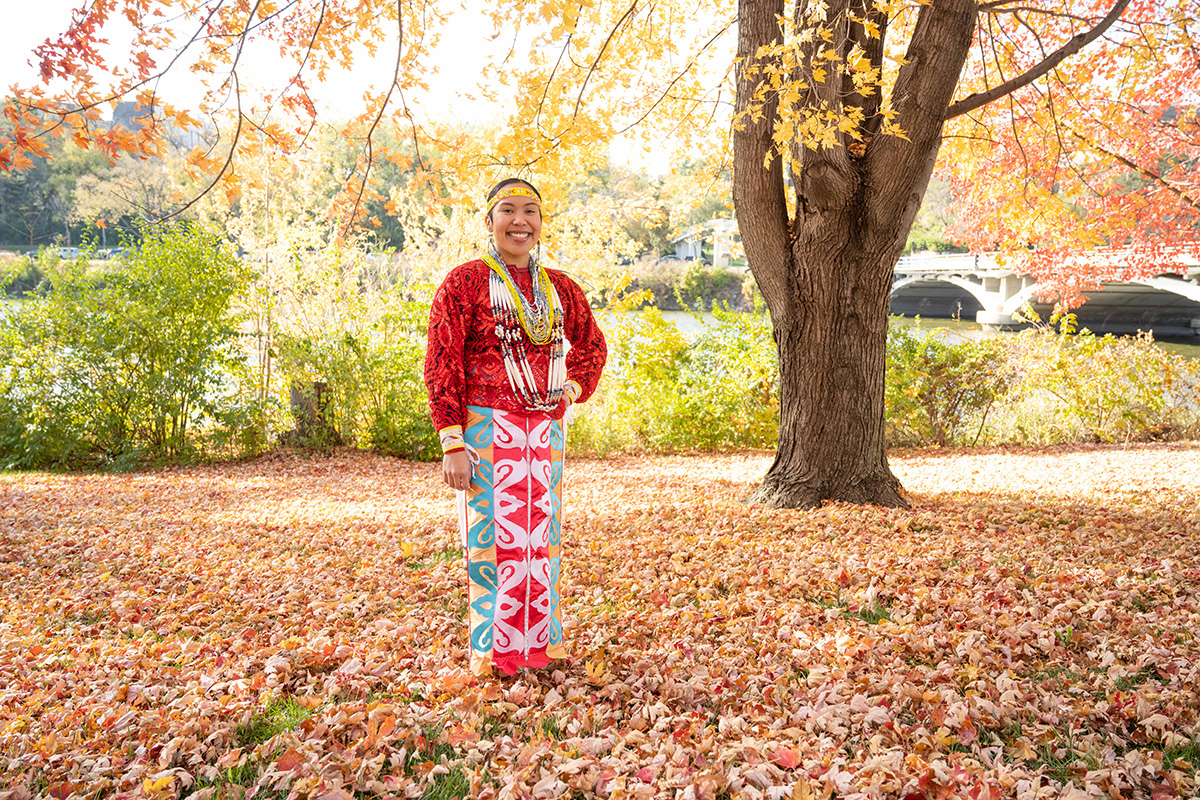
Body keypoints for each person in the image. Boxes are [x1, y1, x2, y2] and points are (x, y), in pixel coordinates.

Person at [424, 177, 607, 677]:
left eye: (531, 211)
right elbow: (443, 362)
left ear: (541, 223)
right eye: (508, 210)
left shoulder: (560, 288)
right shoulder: (463, 283)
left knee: (540, 542)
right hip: (485, 428)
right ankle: (495, 654)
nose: (520, 220)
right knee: (493, 542)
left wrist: (570, 390)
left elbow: (592, 346)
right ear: (489, 221)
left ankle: (541, 648)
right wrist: (451, 440)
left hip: (545, 432)